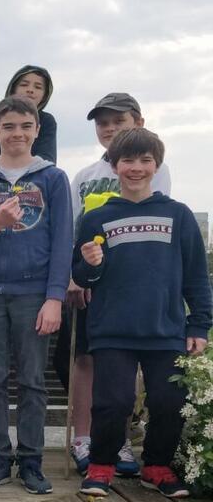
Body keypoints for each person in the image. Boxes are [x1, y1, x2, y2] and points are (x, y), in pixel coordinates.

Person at [74, 128, 211, 499]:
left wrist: (199, 323)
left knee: (169, 401)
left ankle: (157, 466)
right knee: (113, 402)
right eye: (128, 160)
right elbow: (82, 276)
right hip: (112, 329)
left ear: (156, 165)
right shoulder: (95, 218)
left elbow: (197, 276)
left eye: (145, 160)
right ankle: (102, 465)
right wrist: (89, 265)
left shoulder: (178, 215)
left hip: (166, 328)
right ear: (115, 165)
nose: (136, 168)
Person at [0, 96, 73, 494]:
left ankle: (32, 461)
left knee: (33, 380)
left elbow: (62, 244)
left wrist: (54, 297)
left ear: (37, 130)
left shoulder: (52, 178)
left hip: (34, 294)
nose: (17, 133)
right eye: (8, 127)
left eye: (25, 126)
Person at [58, 93, 173, 475]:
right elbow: (73, 231)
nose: (109, 129)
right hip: (90, 282)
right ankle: (84, 438)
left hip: (131, 284)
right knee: (86, 359)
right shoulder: (84, 177)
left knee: (123, 367)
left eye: (118, 122)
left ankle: (118, 439)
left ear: (138, 123)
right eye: (102, 123)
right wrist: (74, 276)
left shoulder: (154, 167)